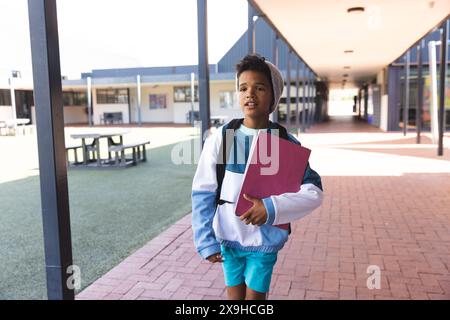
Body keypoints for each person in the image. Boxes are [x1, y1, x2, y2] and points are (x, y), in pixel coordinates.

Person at [191, 54, 323, 300]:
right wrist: (205, 240)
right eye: (243, 88)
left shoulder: (285, 144)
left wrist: (271, 208)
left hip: (264, 241)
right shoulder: (221, 138)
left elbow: (314, 192)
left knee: (255, 299)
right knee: (234, 298)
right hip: (227, 240)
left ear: (274, 96)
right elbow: (202, 192)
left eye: (259, 88)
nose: (250, 94)